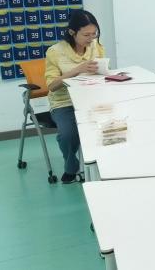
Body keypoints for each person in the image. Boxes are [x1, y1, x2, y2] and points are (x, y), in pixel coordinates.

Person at [44, 10, 106, 184]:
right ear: (72, 32)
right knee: (68, 134)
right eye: (86, 35)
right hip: (65, 102)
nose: (91, 38)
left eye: (94, 34)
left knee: (111, 125)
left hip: (92, 98)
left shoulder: (96, 47)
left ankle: (102, 164)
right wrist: (77, 70)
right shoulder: (55, 52)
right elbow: (52, 86)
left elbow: (102, 73)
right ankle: (71, 167)